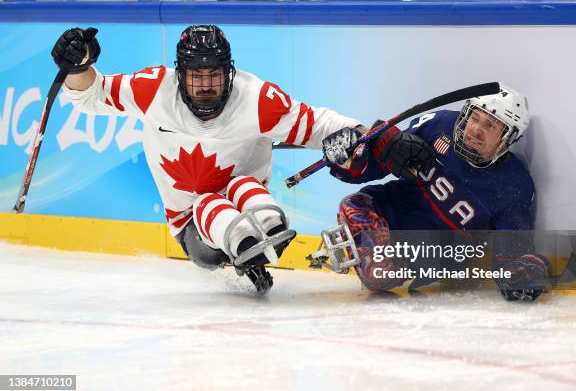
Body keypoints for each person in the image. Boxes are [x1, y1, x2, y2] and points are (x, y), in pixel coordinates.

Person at [52, 25, 363, 293]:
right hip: (191, 225)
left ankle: (266, 227)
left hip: (249, 203)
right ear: (180, 74)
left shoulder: (256, 99)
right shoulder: (154, 89)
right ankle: (240, 237)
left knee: (242, 186)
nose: (205, 85)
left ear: (229, 72)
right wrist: (78, 67)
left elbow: (319, 124)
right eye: (195, 75)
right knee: (208, 203)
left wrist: (363, 134)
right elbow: (92, 94)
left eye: (214, 74)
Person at [320, 85, 552, 301]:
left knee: (380, 274)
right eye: (474, 117)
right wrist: (348, 159)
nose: (475, 130)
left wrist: (523, 274)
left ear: (508, 138)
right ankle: (376, 249)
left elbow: (510, 257)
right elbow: (372, 167)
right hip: (384, 208)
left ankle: (384, 260)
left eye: (490, 126)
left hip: (427, 255)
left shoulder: (514, 185)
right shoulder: (437, 126)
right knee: (354, 206)